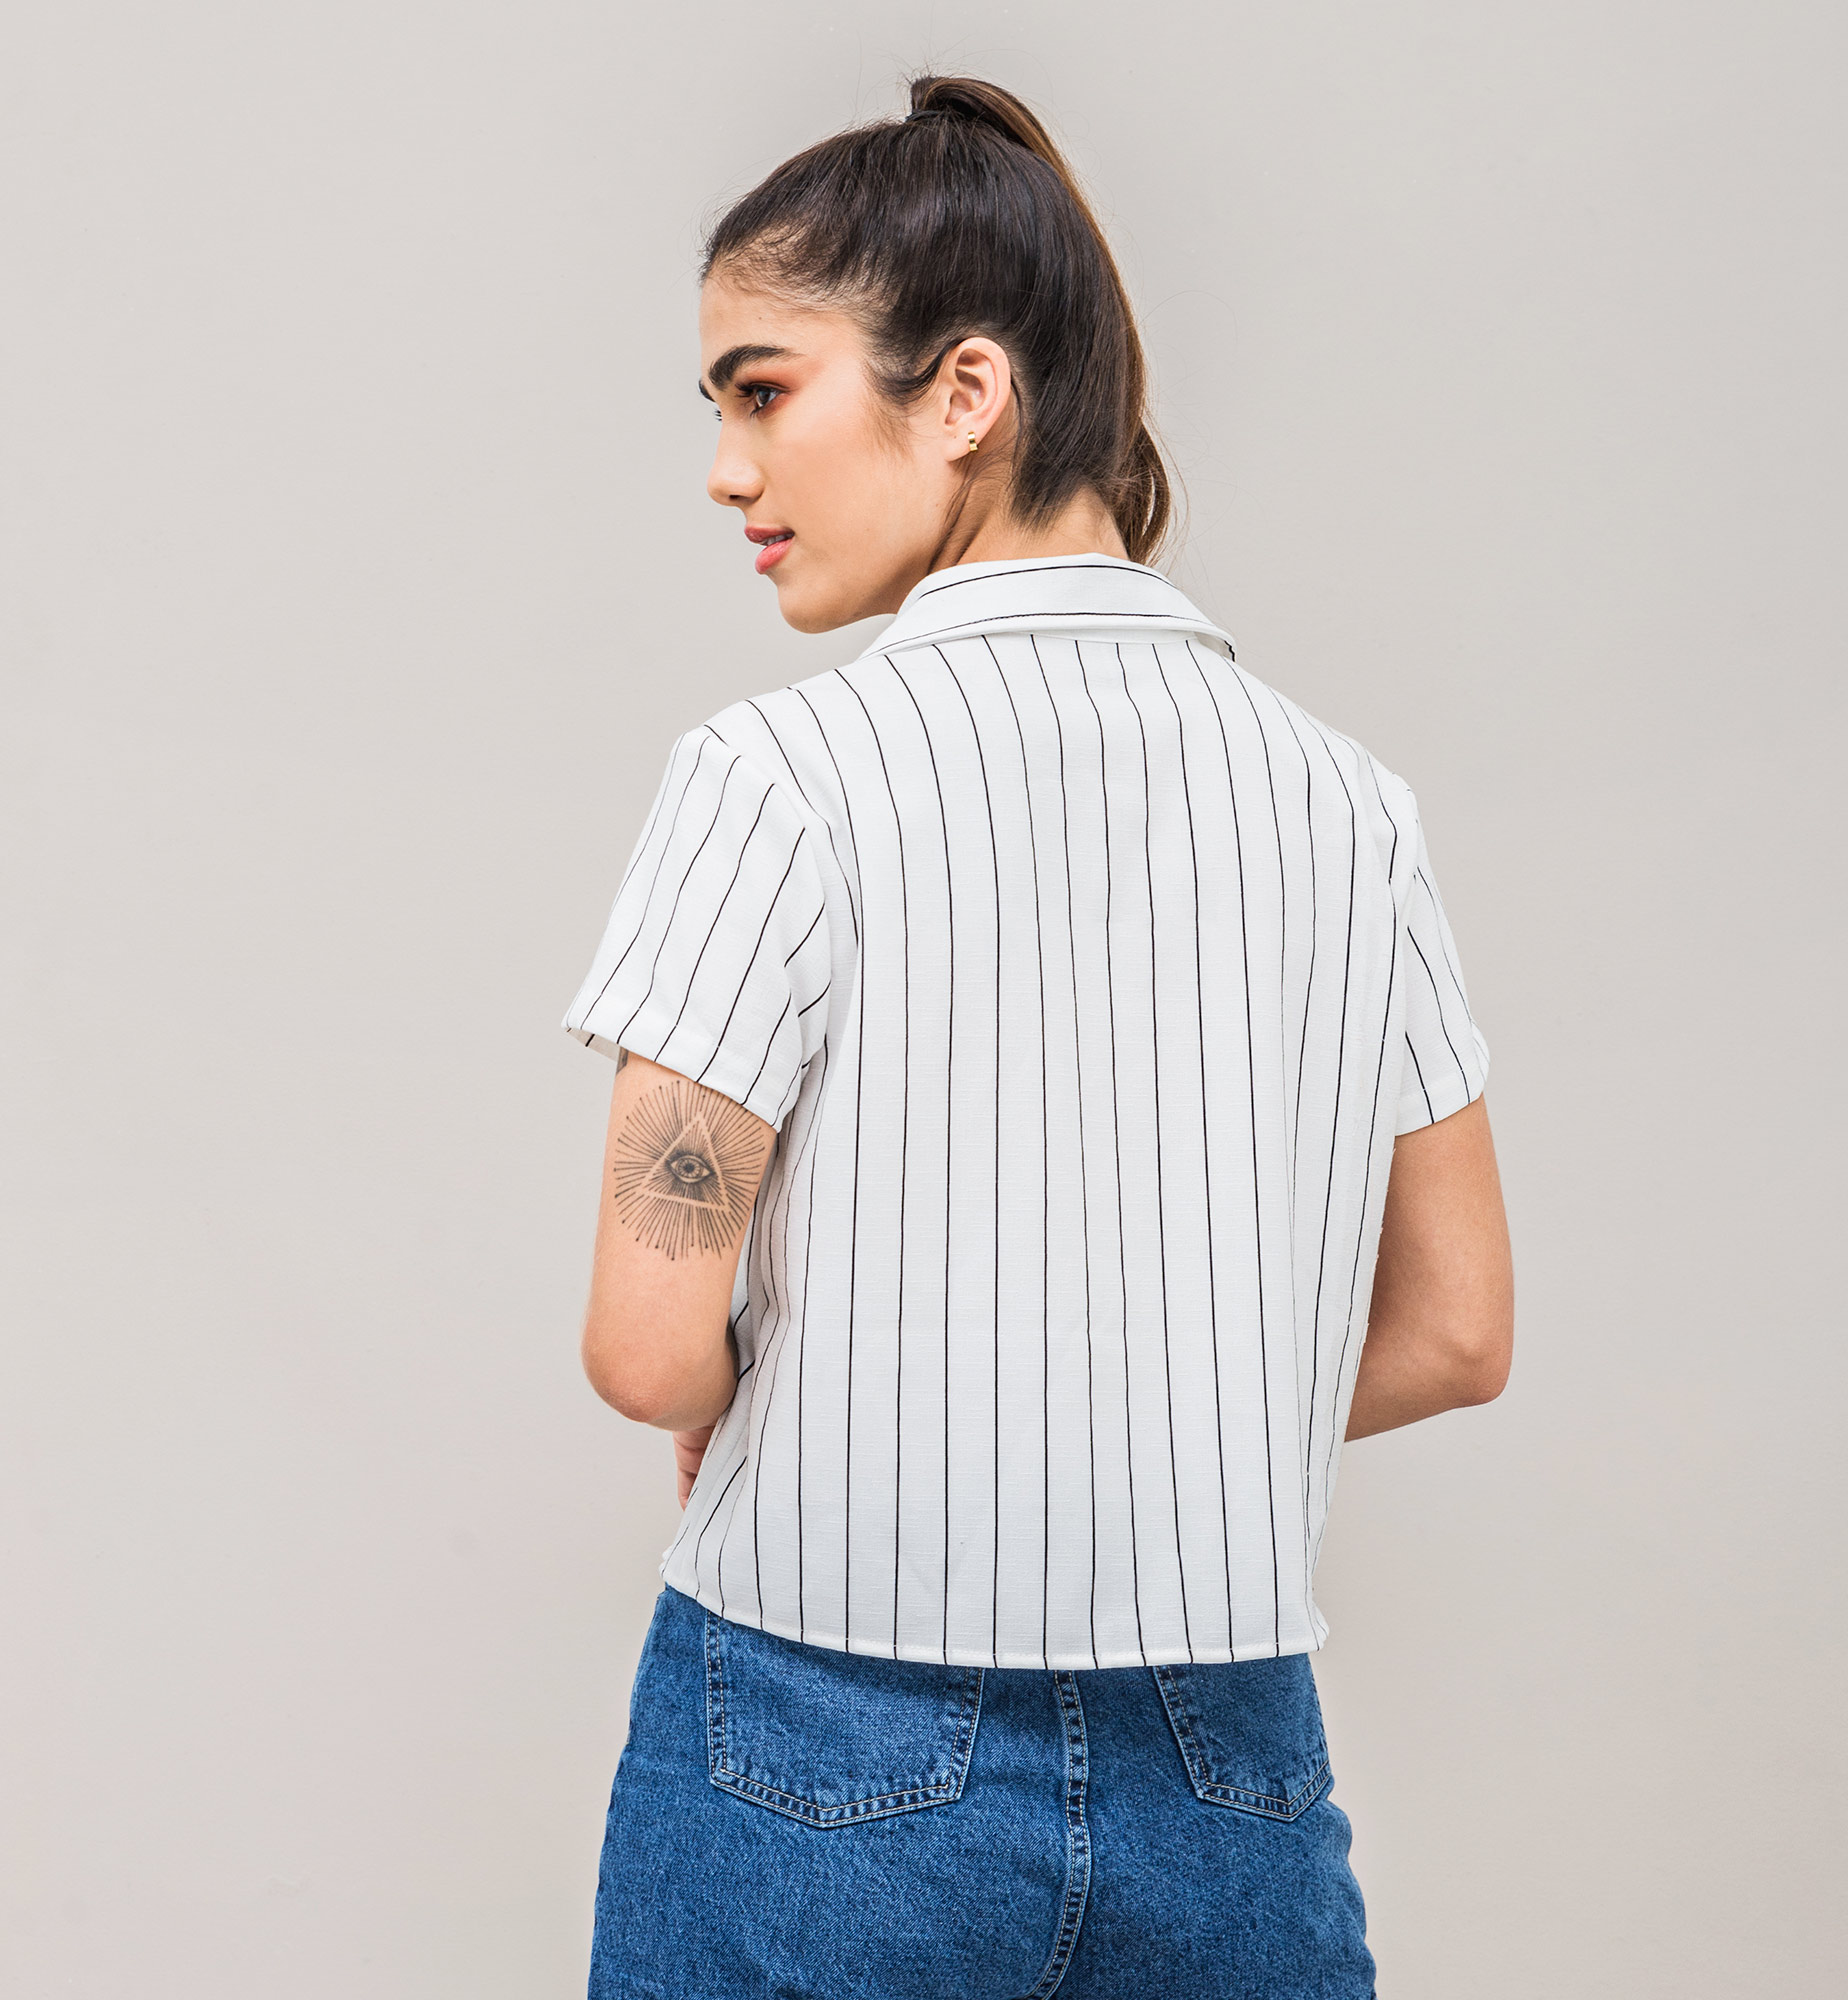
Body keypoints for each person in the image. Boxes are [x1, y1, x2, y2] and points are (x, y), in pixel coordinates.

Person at [560, 72, 1512, 2000]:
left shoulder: (777, 779)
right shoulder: (1348, 806)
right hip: (1232, 1774)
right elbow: (1456, 1331)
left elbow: (648, 1344)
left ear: (966, 395)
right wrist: (1172, 1410)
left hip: (821, 1744)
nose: (729, 471)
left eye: (764, 392)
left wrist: (839, 1405)